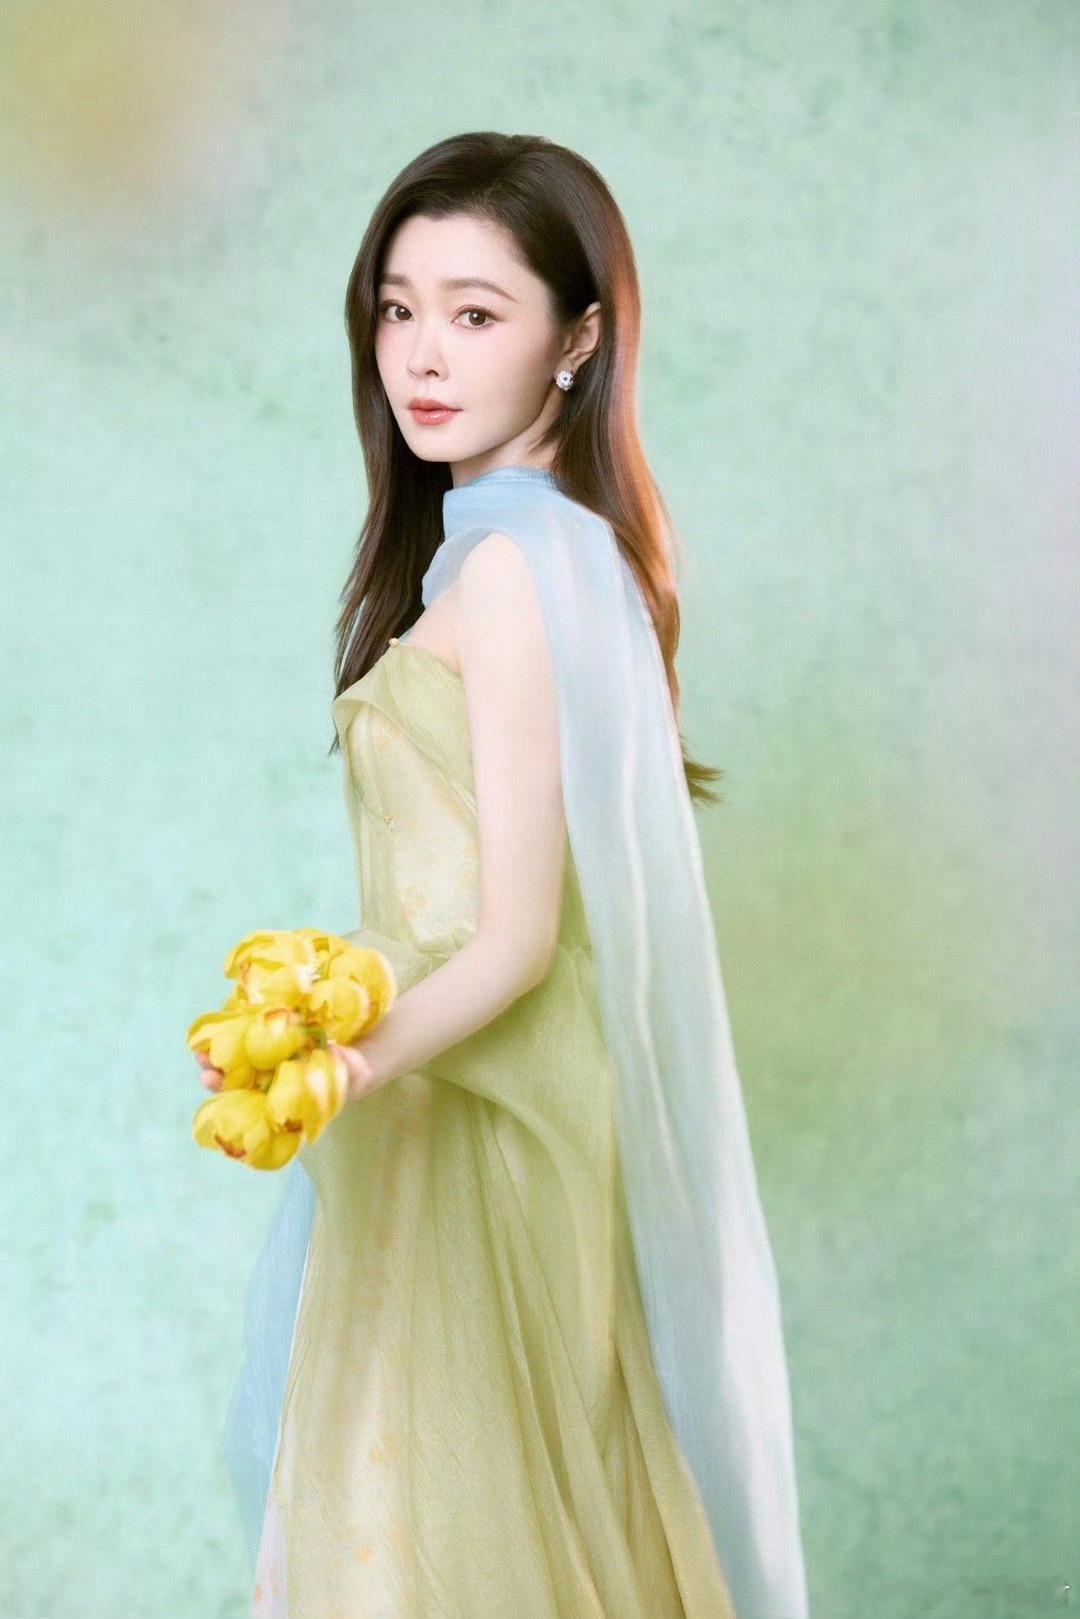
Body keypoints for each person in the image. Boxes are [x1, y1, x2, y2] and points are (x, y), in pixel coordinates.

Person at [199, 131, 811, 1619]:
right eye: (398, 309)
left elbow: (518, 938)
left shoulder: (518, 571)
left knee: (443, 1543)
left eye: (476, 313)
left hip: (482, 1121)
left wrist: (334, 1071)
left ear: (578, 340)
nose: (422, 354)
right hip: (448, 1100)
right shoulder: (514, 555)